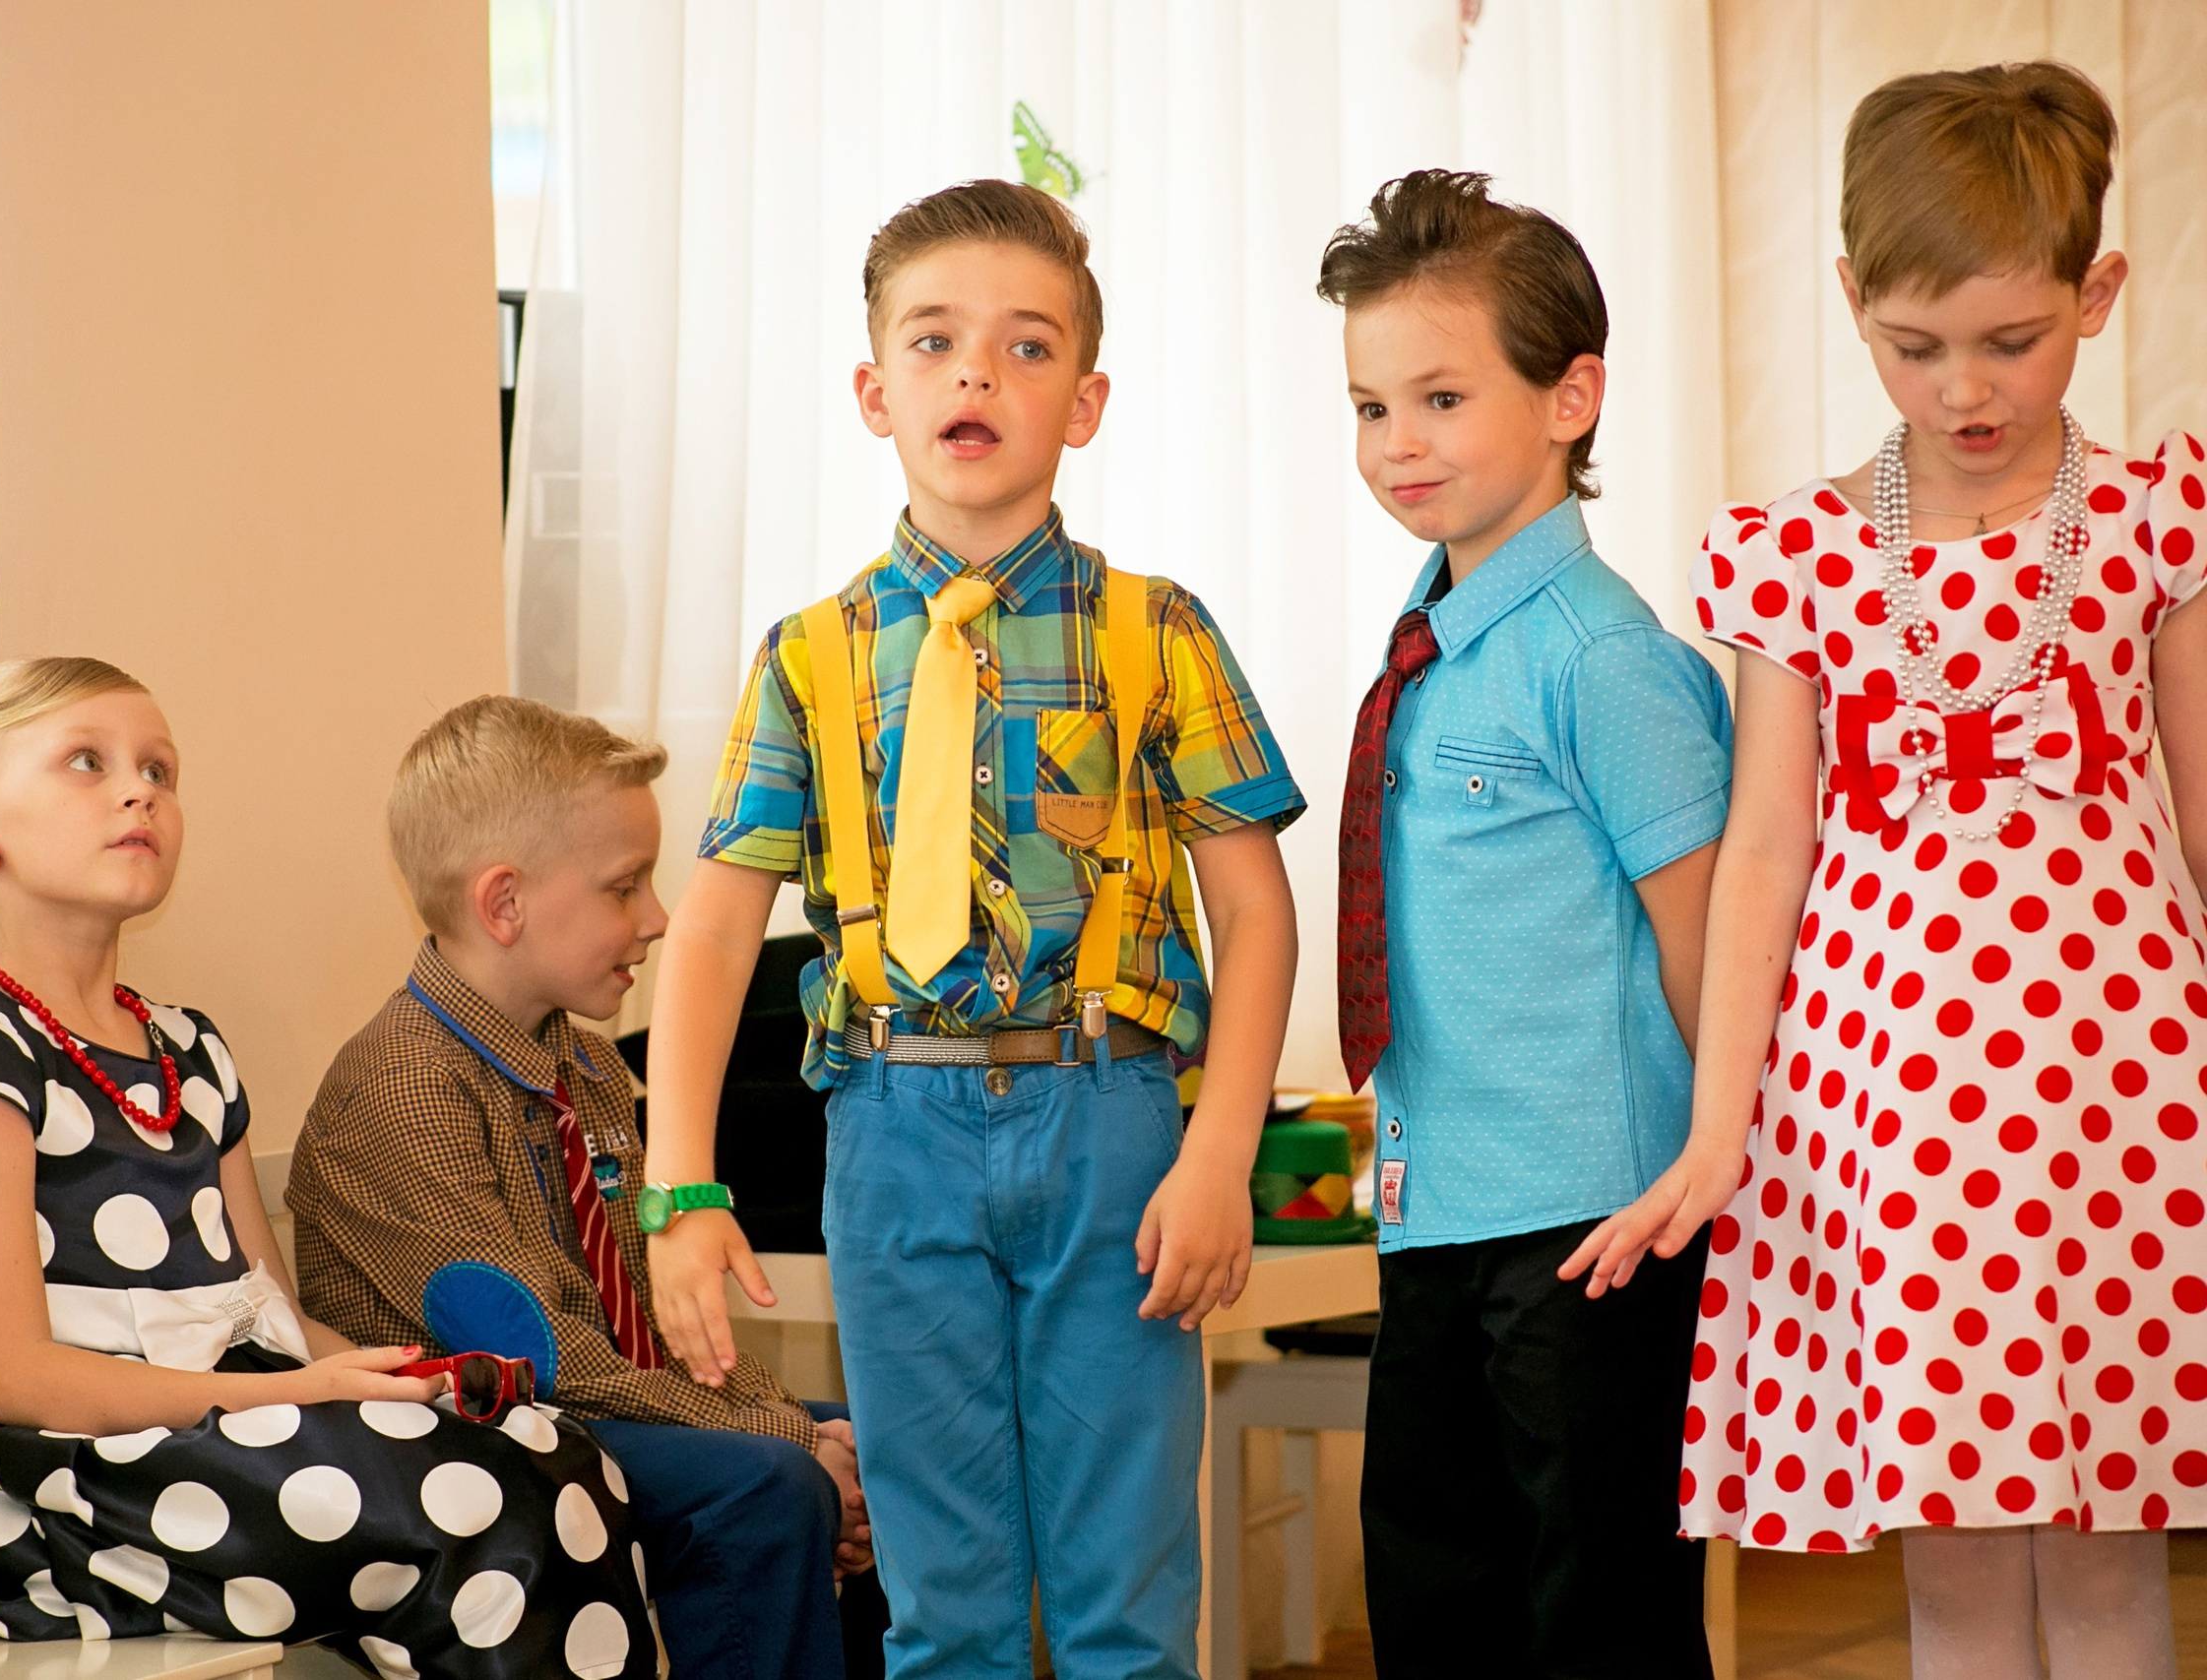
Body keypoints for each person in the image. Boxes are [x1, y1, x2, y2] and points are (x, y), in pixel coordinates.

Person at [1566, 60, 2207, 1680]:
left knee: (2120, 1556)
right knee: (1969, 1567)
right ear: (1851, 300)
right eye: (1913, 345)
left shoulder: (2154, 519)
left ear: (2097, 292)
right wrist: (1724, 1124)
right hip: (1897, 1105)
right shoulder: (1801, 552)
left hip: (2119, 1088)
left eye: (2015, 339)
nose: (1966, 387)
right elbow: (1767, 845)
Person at [639, 178, 1306, 1679]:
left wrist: (1219, 1154)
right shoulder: (809, 655)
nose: (976, 376)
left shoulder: (1161, 626)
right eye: (935, 344)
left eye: (1025, 346)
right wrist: (682, 1180)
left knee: (1125, 1593)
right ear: (876, 391)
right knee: (943, 1603)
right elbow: (718, 924)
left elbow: (1254, 909)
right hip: (891, 1125)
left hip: (1112, 1123)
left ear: (1086, 398)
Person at [0, 659, 652, 1680]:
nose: (138, 790)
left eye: (159, 769)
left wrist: (388, 1378)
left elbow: (273, 1317)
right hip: (81, 1481)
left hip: (232, 1425)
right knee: (485, 1503)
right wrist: (297, 1391)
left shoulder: (189, 1052)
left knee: (558, 1452)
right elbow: (21, 1377)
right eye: (87, 763)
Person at [1322, 170, 1734, 1678]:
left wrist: (1727, 1160)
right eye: (1370, 406)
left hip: (1594, 1218)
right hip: (1438, 1201)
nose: (1397, 442)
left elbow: (1708, 934)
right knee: (1438, 1590)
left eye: (1439, 395)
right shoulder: (1432, 628)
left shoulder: (1601, 655)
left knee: (1600, 1610)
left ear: (1573, 397)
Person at [288, 694, 884, 1680]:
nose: (656, 920)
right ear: (504, 903)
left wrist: (808, 1427)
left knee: (874, 1455)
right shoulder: (400, 1090)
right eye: (625, 887)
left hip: (590, 1403)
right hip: (473, 1429)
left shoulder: (593, 1071)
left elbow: (655, 1312)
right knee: (767, 1482)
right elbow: (543, 1352)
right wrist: (786, 1438)